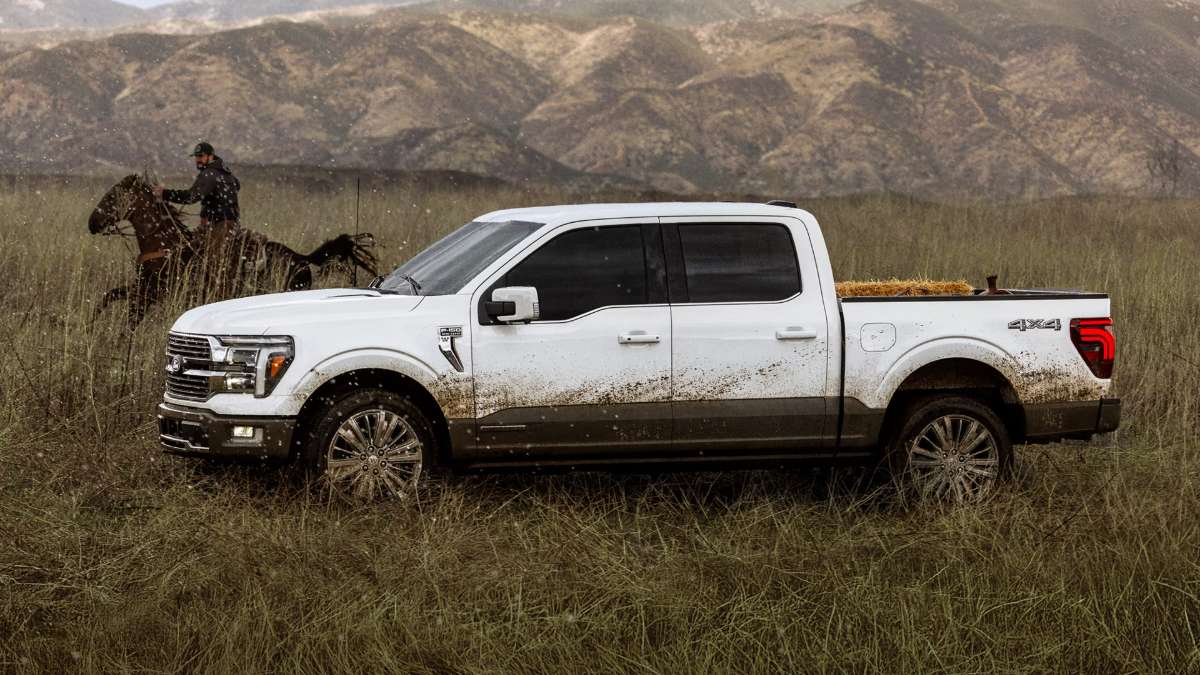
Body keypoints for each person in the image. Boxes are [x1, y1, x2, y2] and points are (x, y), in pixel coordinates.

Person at [154, 142, 241, 254]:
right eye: (196, 156)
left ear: (210, 156)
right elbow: (237, 185)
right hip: (227, 223)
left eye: (201, 156)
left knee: (210, 258)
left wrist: (165, 193)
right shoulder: (225, 172)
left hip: (221, 224)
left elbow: (191, 197)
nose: (197, 159)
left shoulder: (210, 173)